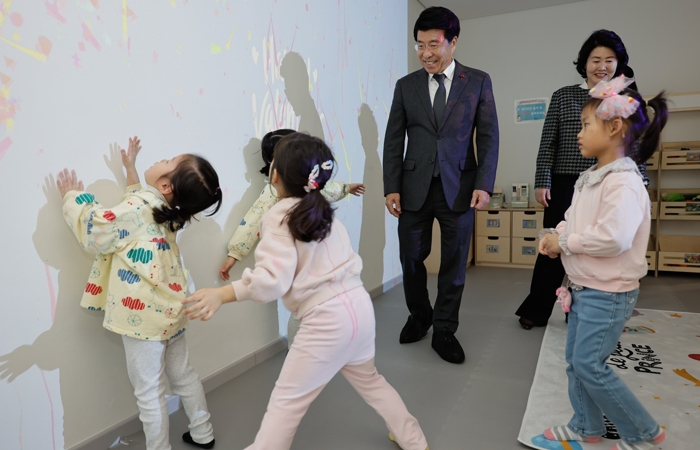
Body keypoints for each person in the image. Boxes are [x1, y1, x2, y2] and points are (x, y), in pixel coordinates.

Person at [183, 133, 429, 450]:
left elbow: (271, 282)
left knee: (286, 404)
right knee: (371, 381)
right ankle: (415, 441)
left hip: (326, 321)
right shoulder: (323, 210)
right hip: (359, 309)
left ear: (274, 174)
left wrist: (223, 294)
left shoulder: (278, 215)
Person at [57, 137, 221, 450]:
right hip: (172, 312)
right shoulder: (171, 212)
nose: (161, 159)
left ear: (167, 185)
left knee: (149, 393)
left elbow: (97, 229)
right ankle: (204, 433)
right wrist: (130, 169)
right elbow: (139, 208)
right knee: (184, 376)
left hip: (143, 319)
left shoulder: (142, 209)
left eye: (168, 161)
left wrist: (73, 197)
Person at [539, 77, 667, 450]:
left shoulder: (623, 182)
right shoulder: (592, 177)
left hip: (608, 293)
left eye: (585, 125)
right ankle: (586, 426)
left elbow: (613, 238)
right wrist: (557, 235)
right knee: (576, 362)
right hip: (583, 287)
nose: (578, 134)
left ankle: (643, 433)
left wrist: (565, 242)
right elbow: (576, 219)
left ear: (613, 128)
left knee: (590, 366)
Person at [383, 6, 499, 363]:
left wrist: (484, 184)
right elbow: (393, 139)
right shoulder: (406, 86)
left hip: (460, 187)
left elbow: (488, 136)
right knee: (410, 258)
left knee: (453, 264)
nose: (426, 53)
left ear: (453, 42)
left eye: (433, 44)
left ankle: (445, 329)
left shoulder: (477, 81)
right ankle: (420, 316)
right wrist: (391, 186)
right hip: (413, 188)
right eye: (420, 45)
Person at [515, 29, 649, 330]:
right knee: (554, 244)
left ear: (619, 64)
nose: (601, 66)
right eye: (595, 59)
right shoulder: (563, 95)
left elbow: (636, 144)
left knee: (595, 249)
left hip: (609, 182)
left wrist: (641, 180)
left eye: (609, 60)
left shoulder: (625, 98)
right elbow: (548, 141)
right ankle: (537, 308)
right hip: (564, 181)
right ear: (584, 63)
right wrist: (542, 180)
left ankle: (582, 310)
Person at [218, 129, 365, 348]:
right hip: (303, 269)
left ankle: (307, 351)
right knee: (304, 312)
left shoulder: (312, 188)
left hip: (317, 270)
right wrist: (235, 253)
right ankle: (300, 350)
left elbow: (329, 189)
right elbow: (252, 221)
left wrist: (346, 188)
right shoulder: (273, 193)